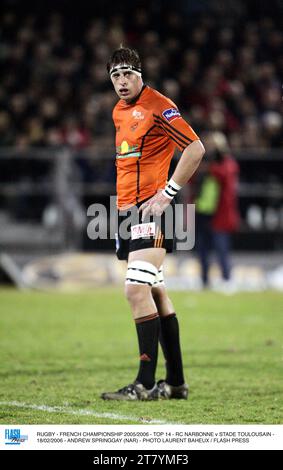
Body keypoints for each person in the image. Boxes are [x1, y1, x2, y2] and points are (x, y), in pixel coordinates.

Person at [101, 46, 205, 401]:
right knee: (156, 293)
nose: (121, 81)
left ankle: (144, 384)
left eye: (127, 73)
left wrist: (169, 193)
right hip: (129, 215)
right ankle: (175, 383)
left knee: (135, 290)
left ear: (140, 73)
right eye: (115, 75)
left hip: (153, 212)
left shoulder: (159, 106)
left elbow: (195, 148)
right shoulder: (119, 111)